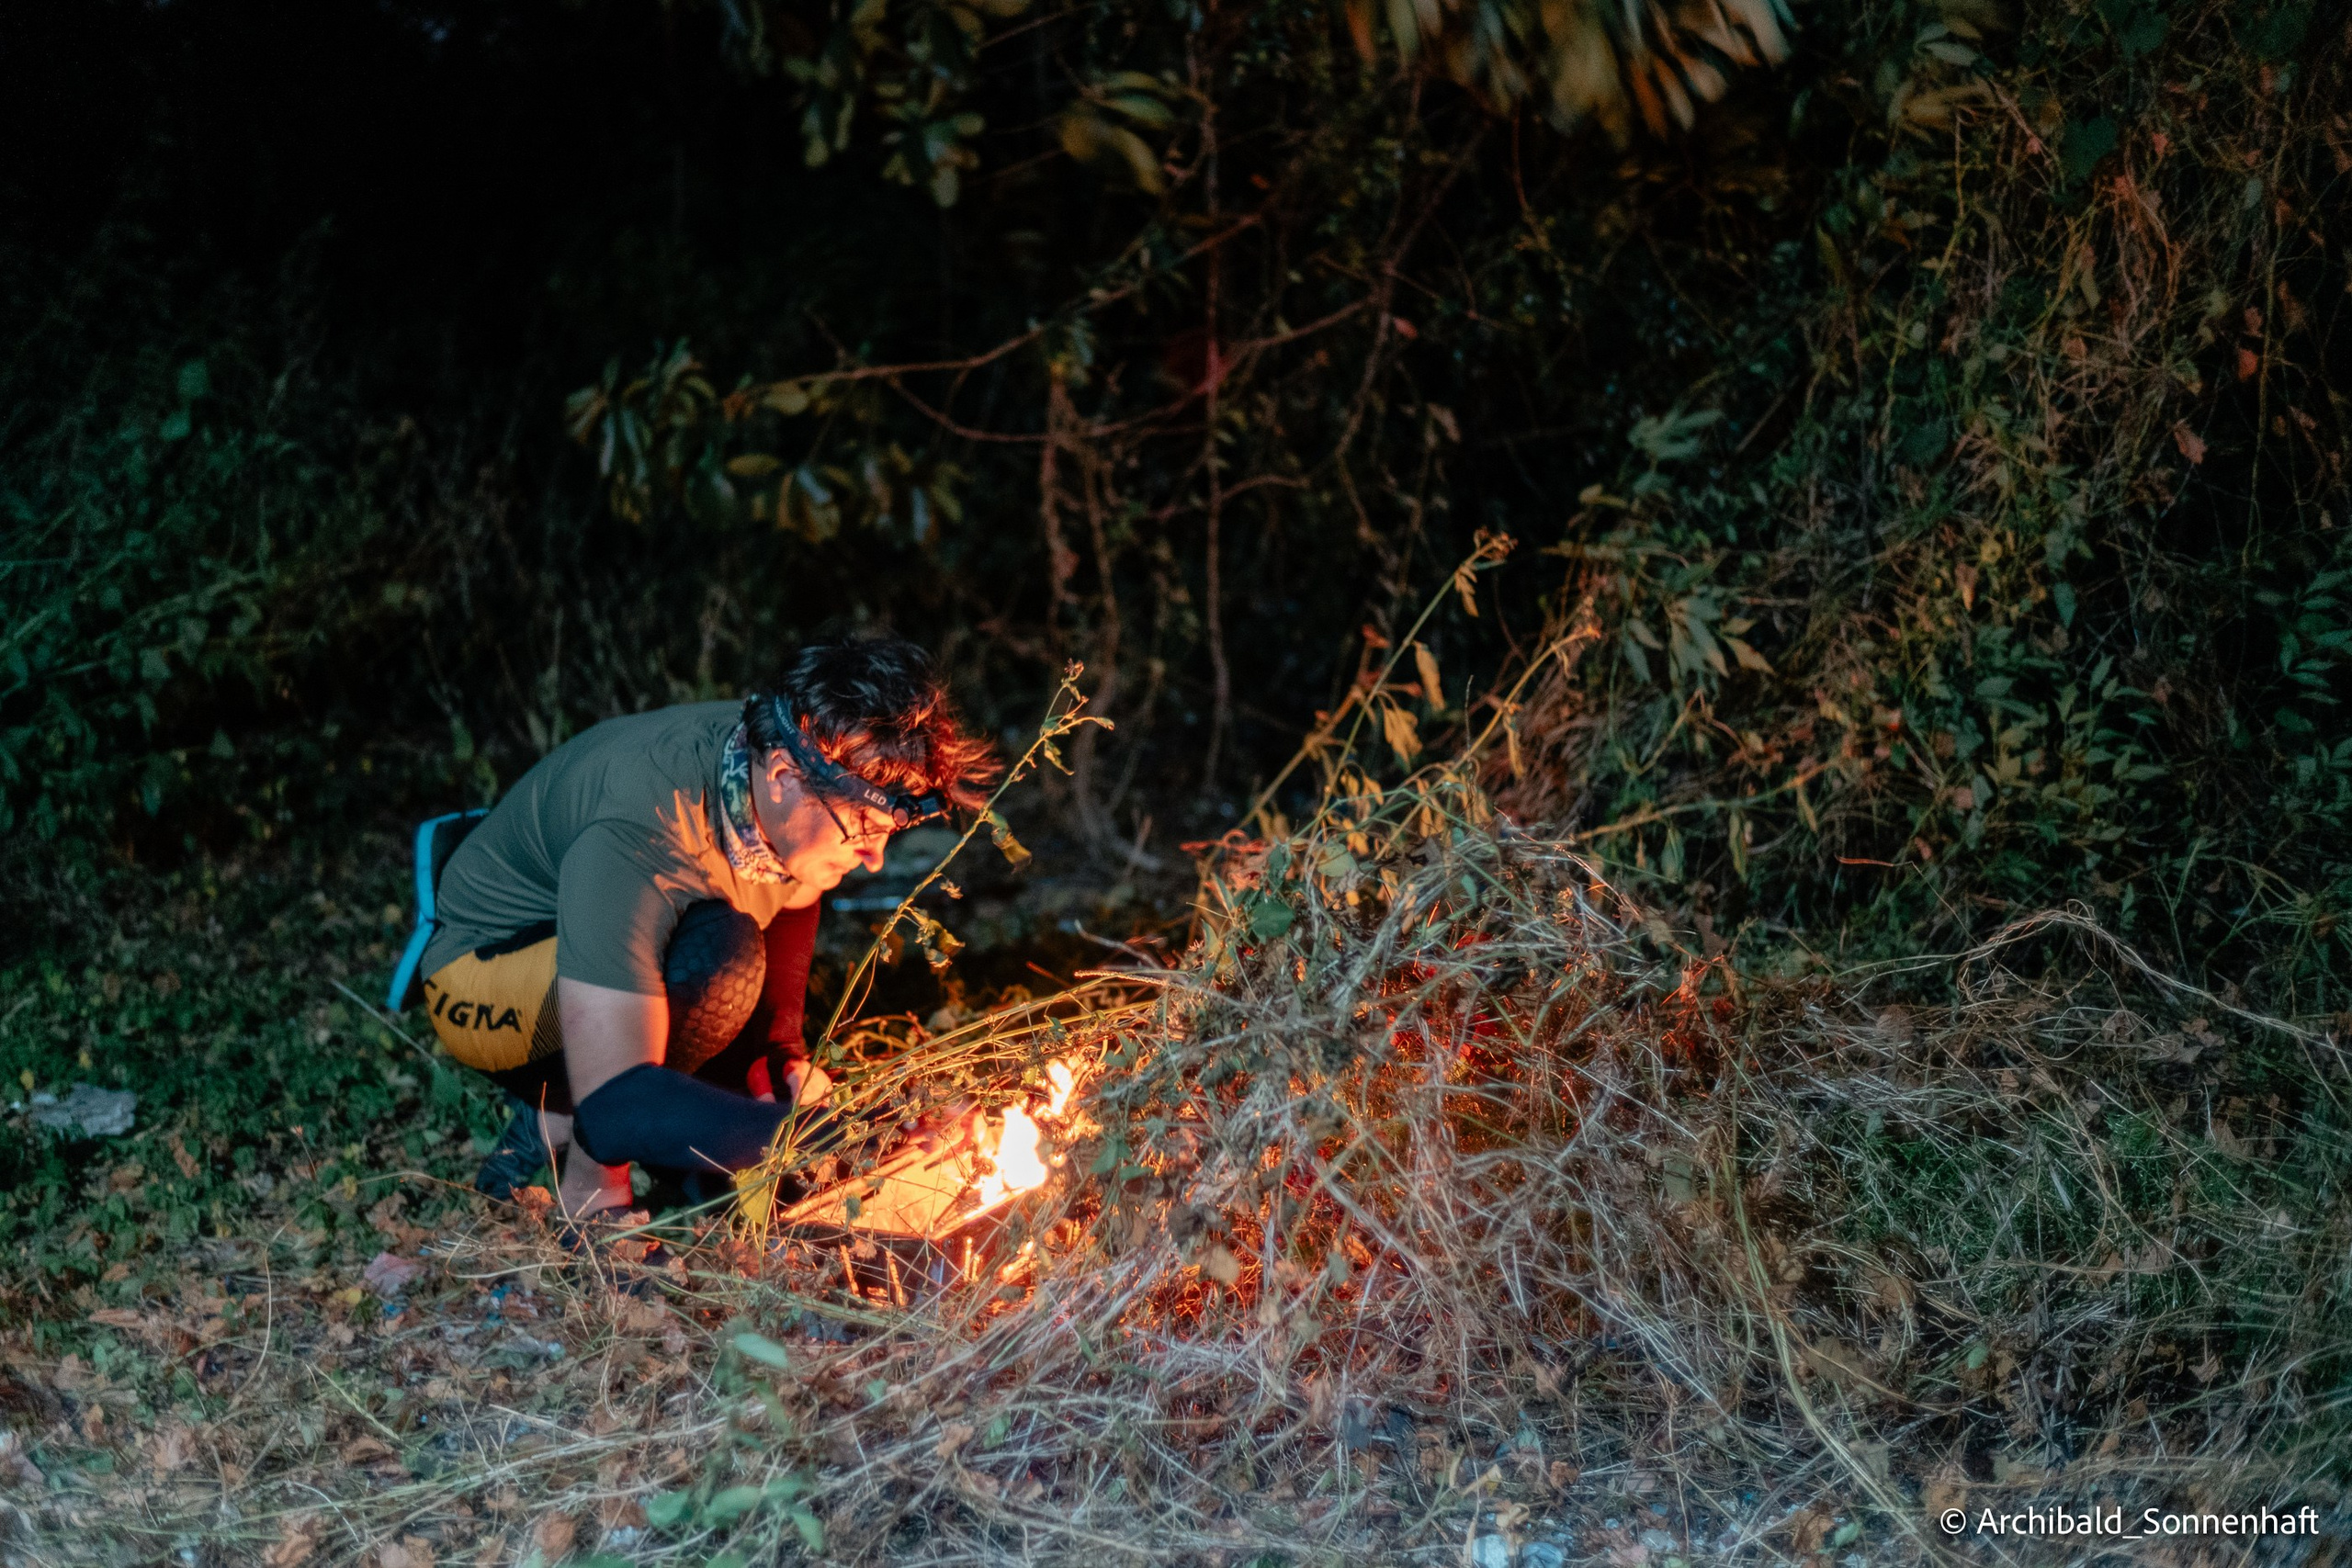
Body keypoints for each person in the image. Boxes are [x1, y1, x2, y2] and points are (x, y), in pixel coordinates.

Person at [413, 635, 995, 1222]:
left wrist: (782, 1059)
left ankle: (582, 1116)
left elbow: (794, 902)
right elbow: (620, 1104)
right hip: (485, 975)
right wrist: (834, 1134)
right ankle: (580, 1172)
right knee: (719, 963)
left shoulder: (789, 763)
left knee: (736, 1169)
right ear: (784, 778)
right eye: (865, 825)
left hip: (610, 940)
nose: (874, 857)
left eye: (888, 830)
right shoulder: (643, 831)